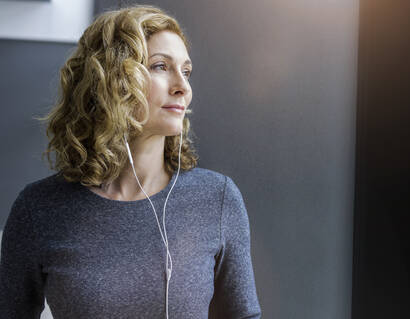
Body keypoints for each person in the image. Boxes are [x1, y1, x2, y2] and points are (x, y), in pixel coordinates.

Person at [0, 5, 261, 319]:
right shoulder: (39, 208)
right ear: (110, 81)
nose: (183, 86)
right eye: (160, 66)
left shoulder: (216, 199)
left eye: (186, 71)